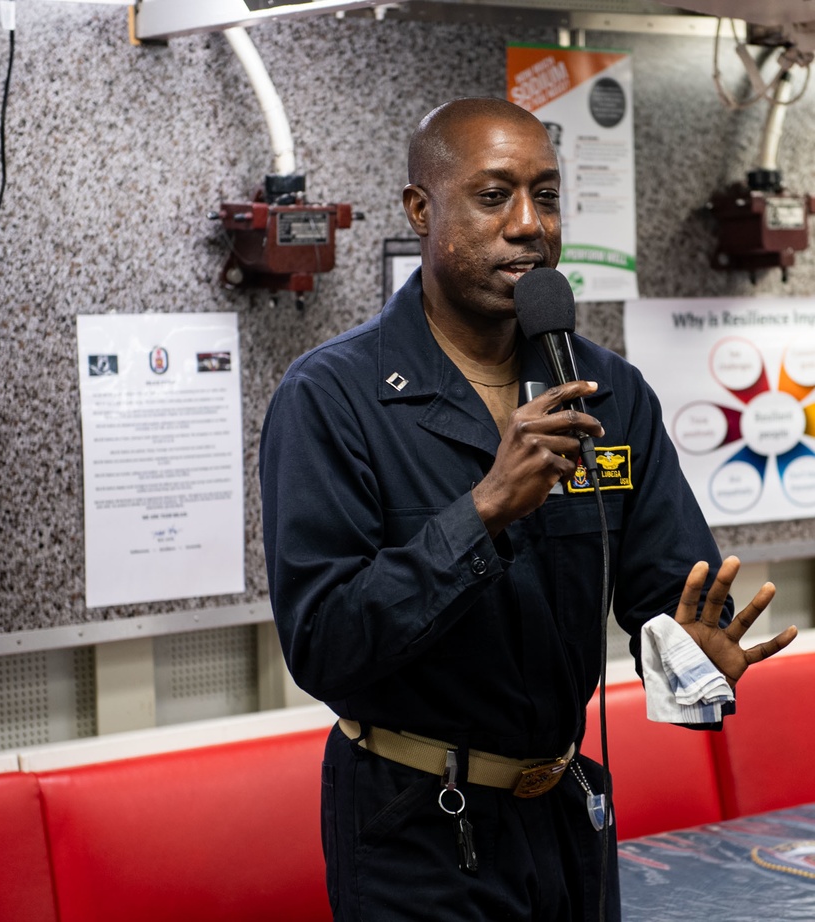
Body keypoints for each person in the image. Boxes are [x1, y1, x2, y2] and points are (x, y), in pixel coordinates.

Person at [258, 97, 797, 921]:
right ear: (420, 210)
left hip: (569, 811)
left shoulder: (608, 390)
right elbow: (324, 644)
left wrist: (693, 653)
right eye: (493, 195)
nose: (528, 225)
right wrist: (483, 512)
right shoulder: (333, 397)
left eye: (546, 196)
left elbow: (666, 596)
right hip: (416, 828)